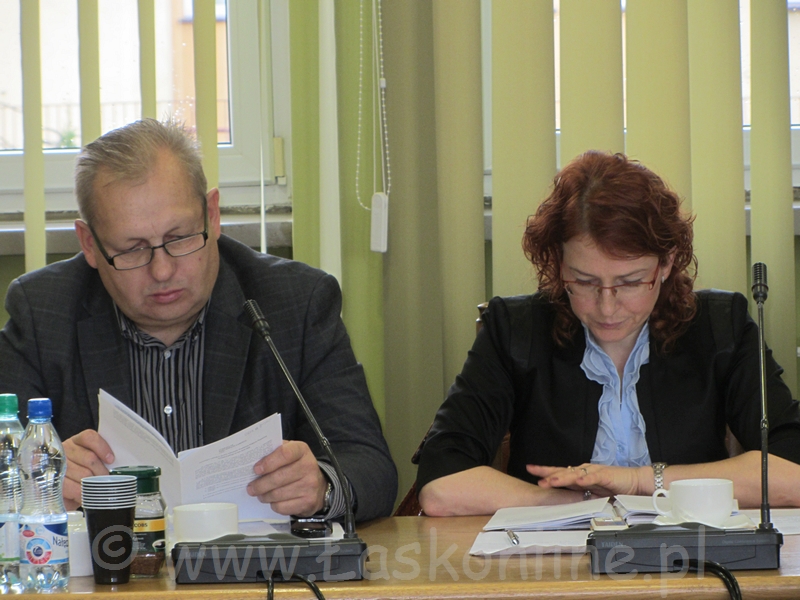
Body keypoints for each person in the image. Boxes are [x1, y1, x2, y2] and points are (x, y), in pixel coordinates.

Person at [0, 119, 397, 522]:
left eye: (179, 238)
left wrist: (323, 487)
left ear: (212, 215)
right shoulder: (43, 312)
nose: (162, 271)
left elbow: (370, 465)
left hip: (254, 562)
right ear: (90, 244)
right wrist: (41, 480)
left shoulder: (296, 302)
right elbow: (5, 468)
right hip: (111, 560)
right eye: (132, 249)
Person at [416, 150, 800, 517]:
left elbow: (792, 471)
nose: (607, 307)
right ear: (558, 263)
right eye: (584, 281)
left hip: (689, 553)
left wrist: (638, 482)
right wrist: (570, 504)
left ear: (666, 263)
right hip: (554, 556)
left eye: (630, 282)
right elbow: (441, 484)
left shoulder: (721, 328)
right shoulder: (514, 331)